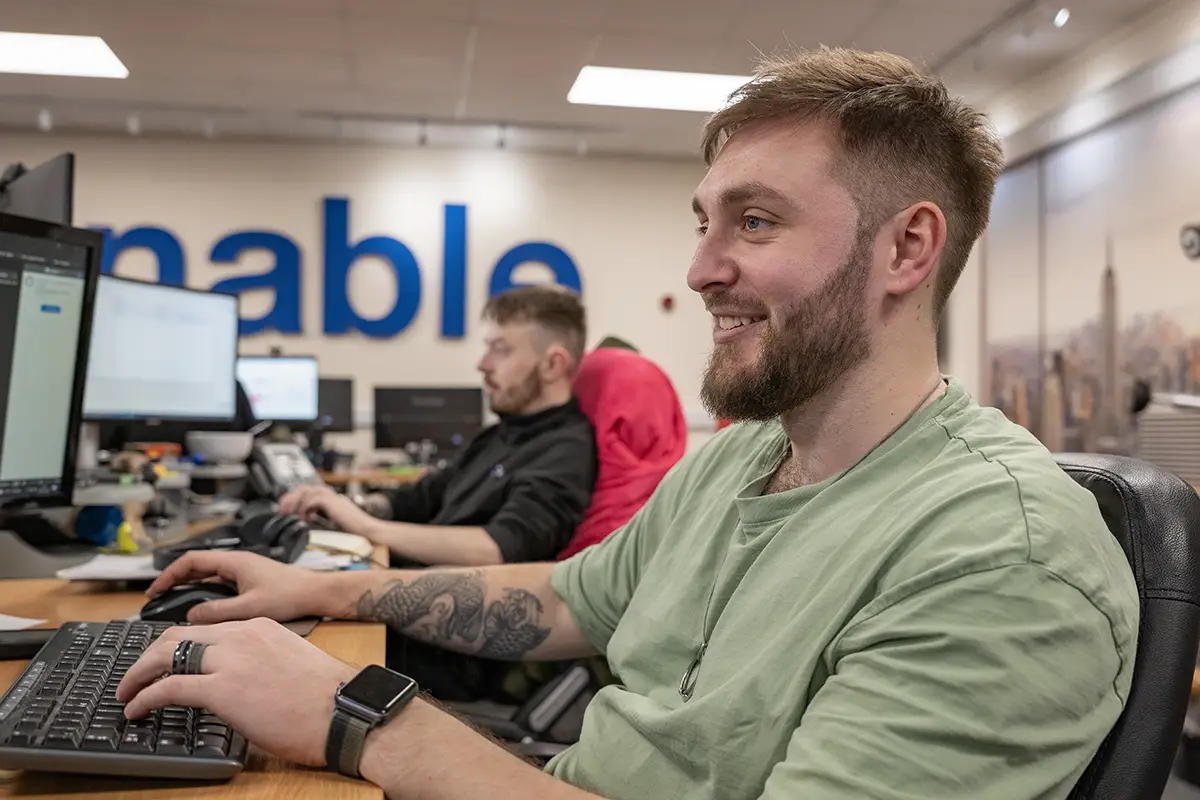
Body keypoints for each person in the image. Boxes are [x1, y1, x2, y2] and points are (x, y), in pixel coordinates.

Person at [117, 47, 1139, 800]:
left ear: (908, 249)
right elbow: (568, 597)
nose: (699, 270)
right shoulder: (743, 458)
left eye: (755, 220)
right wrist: (324, 585)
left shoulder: (1002, 554)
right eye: (704, 223)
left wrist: (354, 717)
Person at [279, 284, 598, 568]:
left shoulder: (565, 449)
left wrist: (366, 526)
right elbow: (423, 496)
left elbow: (499, 547)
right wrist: (343, 506)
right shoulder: (499, 435)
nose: (482, 363)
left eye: (501, 349)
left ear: (553, 364)